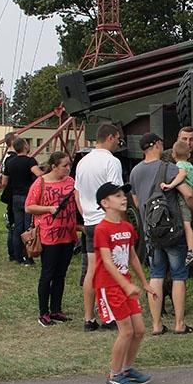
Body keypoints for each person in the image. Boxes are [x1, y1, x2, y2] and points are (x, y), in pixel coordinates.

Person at [130, 132, 193, 335]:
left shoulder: (134, 172)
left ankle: (157, 325)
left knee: (156, 275)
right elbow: (188, 193)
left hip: (151, 231)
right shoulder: (167, 168)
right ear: (158, 145)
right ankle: (179, 324)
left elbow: (135, 201)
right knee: (178, 276)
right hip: (172, 231)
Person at [92, 182, 158, 384]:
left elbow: (132, 257)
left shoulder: (127, 227)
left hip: (125, 285)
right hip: (109, 285)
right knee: (126, 331)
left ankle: (127, 369)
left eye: (123, 195)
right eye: (117, 196)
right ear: (105, 203)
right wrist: (125, 285)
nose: (124, 199)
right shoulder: (102, 229)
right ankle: (114, 374)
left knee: (139, 330)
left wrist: (145, 284)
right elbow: (107, 262)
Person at [74, 123, 123, 332]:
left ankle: (88, 317)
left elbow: (76, 192)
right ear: (110, 137)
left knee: (91, 270)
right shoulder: (111, 161)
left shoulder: (83, 162)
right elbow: (116, 194)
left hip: (90, 222)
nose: (118, 144)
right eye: (118, 140)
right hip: (106, 221)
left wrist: (85, 214)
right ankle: (109, 315)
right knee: (111, 270)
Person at [25, 152, 79, 327]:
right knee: (47, 273)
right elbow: (29, 207)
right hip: (49, 234)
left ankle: (56, 309)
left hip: (67, 234)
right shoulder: (40, 182)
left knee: (61, 274)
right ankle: (43, 312)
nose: (68, 168)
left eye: (69, 165)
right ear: (54, 166)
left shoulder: (71, 182)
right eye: (64, 165)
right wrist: (48, 209)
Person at [2, 137, 43, 265]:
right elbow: (39, 174)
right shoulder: (30, 161)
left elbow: (4, 181)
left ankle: (17, 256)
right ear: (25, 146)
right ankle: (28, 256)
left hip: (15, 197)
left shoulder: (11, 162)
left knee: (17, 227)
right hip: (28, 197)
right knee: (28, 227)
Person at [159, 139, 193, 267]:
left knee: (186, 225)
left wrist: (170, 185)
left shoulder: (180, 167)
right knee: (188, 223)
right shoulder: (192, 167)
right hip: (190, 198)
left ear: (173, 155)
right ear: (189, 155)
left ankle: (191, 249)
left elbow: (181, 176)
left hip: (182, 199)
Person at [0, 131, 18, 262]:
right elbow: (5, 181)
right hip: (13, 195)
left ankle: (13, 252)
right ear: (12, 142)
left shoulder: (8, 158)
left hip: (12, 194)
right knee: (14, 225)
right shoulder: (11, 159)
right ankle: (14, 253)